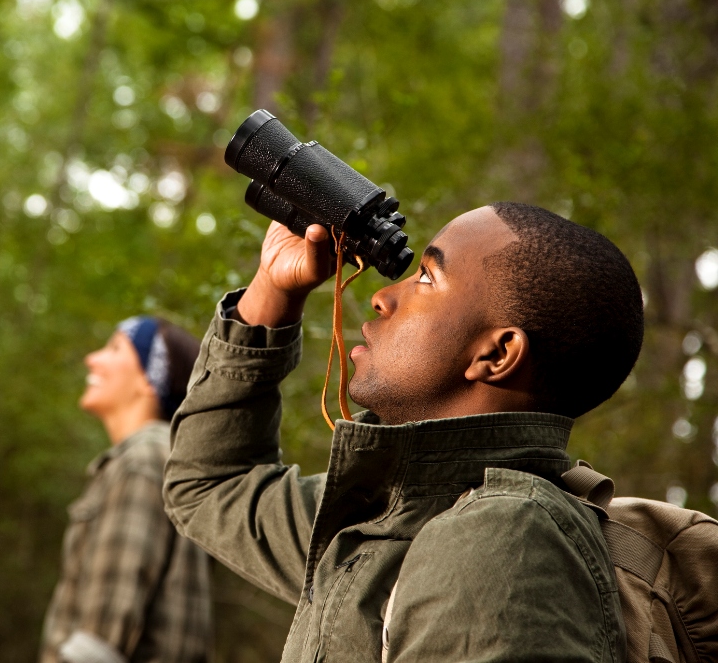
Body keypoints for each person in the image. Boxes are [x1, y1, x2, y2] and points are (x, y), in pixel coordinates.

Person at [163, 202, 644, 662]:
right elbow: (209, 486)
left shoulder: (507, 538)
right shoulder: (393, 511)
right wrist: (274, 288)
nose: (382, 296)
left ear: (496, 355)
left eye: (427, 277)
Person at [40, 317, 213, 663]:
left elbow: (104, 634)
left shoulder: (141, 461)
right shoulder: (165, 457)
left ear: (150, 380)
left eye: (115, 347)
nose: (92, 359)